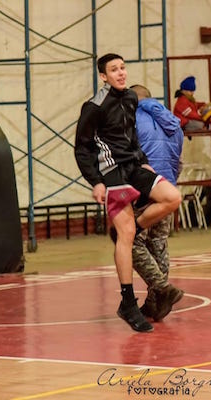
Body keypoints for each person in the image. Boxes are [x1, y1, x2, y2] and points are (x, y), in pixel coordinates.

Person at [74, 54, 182, 332]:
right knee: (127, 235)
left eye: (123, 68)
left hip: (135, 166)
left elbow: (131, 134)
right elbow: (82, 148)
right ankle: (127, 301)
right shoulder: (94, 107)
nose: (121, 73)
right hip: (111, 173)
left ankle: (138, 225)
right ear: (103, 76)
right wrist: (95, 182)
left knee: (173, 198)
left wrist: (143, 158)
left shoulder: (132, 99)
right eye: (114, 70)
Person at [129, 84, 184, 322]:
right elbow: (178, 162)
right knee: (158, 242)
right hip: (169, 187)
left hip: (144, 187)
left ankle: (162, 288)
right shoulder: (173, 123)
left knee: (128, 240)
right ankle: (155, 302)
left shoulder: (132, 118)